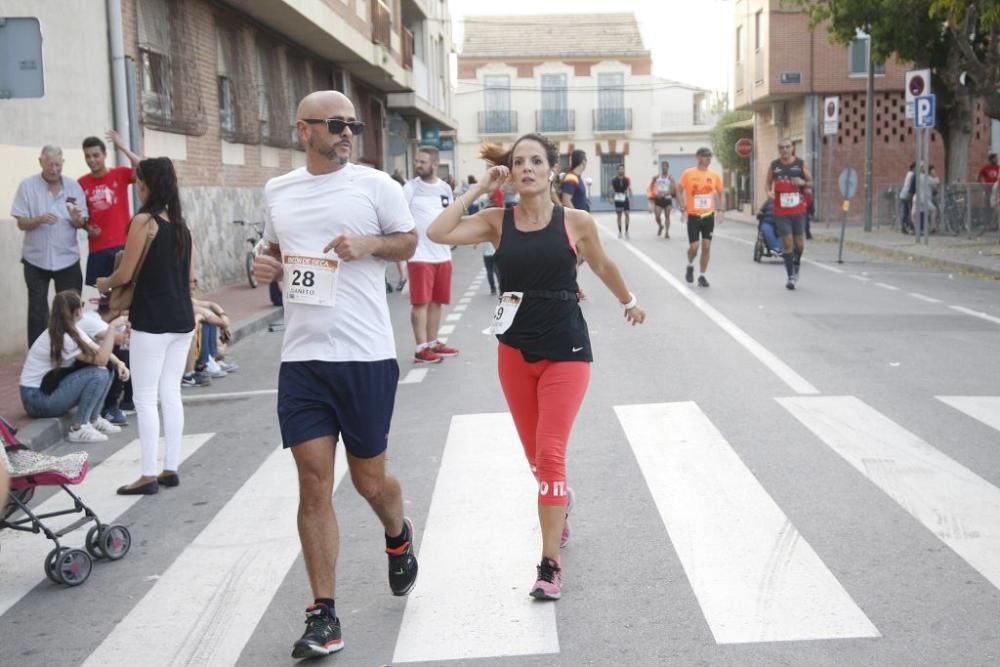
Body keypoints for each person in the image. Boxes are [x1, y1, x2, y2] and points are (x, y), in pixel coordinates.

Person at [426, 132, 646, 601]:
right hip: (515, 354)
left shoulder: (576, 221)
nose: (527, 168)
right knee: (535, 459)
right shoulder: (495, 220)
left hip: (567, 350)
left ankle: (549, 565)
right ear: (510, 171)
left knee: (550, 454)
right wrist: (480, 188)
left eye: (536, 161)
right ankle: (559, 504)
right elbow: (438, 233)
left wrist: (629, 300)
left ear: (551, 170)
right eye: (518, 162)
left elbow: (603, 265)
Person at [253, 90, 419, 660]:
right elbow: (273, 246)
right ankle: (323, 613)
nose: (347, 131)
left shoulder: (377, 186)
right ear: (304, 131)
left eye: (352, 124)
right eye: (335, 123)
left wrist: (371, 243)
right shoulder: (279, 190)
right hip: (302, 360)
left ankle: (398, 537)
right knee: (313, 479)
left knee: (370, 481)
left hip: (366, 355)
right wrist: (263, 261)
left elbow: (409, 241)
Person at [97, 157, 196, 496]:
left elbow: (125, 273)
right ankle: (171, 468)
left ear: (146, 184)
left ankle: (148, 474)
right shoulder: (182, 226)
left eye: (139, 182)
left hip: (153, 321)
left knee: (144, 398)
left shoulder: (143, 220)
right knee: (171, 393)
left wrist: (103, 283)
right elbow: (191, 278)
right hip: (183, 321)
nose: (137, 187)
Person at [19, 290, 127, 443]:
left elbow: (98, 350)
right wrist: (112, 328)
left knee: (106, 369)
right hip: (37, 400)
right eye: (82, 305)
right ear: (77, 311)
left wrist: (119, 363)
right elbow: (101, 359)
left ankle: (94, 419)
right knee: (98, 373)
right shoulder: (63, 336)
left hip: (43, 392)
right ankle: (79, 427)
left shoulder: (71, 329)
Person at [11, 145, 89, 346]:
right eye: (49, 165)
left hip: (67, 258)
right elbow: (21, 223)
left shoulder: (73, 187)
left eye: (57, 165)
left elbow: (82, 222)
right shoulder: (27, 186)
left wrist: (77, 219)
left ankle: (72, 350)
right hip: (35, 259)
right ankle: (39, 355)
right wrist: (39, 219)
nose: (54, 169)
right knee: (38, 311)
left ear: (62, 163)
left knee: (71, 307)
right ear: (40, 163)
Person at [403, 146, 460, 364]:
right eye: (417, 161)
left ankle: (433, 342)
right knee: (420, 303)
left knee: (437, 301)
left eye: (422, 162)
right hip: (420, 256)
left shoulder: (445, 188)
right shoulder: (410, 189)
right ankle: (421, 349)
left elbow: (452, 215)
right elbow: (398, 216)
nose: (418, 165)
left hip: (442, 254)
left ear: (435, 164)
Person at [79, 131, 143, 287]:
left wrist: (122, 147)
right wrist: (87, 227)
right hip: (98, 248)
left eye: (96, 155)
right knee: (103, 299)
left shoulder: (120, 173)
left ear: (105, 155)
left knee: (126, 294)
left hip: (122, 245)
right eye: (87, 156)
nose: (92, 160)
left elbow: (144, 167)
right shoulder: (81, 183)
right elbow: (82, 216)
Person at [78, 293, 132, 426]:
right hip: (74, 367)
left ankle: (129, 400)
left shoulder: (108, 320)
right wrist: (129, 324)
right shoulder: (93, 320)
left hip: (85, 361)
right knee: (118, 354)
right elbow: (121, 340)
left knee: (122, 355)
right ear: (114, 309)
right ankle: (108, 407)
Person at [766, 139, 813, 290]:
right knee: (787, 242)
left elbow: (811, 182)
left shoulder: (800, 164)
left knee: (799, 243)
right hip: (781, 210)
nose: (785, 150)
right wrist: (769, 193)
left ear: (792, 148)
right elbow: (767, 184)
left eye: (787, 147)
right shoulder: (774, 165)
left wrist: (802, 182)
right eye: (781, 147)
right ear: (778, 149)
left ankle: (797, 262)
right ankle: (790, 276)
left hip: (798, 210)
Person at [677, 148, 724, 287]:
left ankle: (702, 275)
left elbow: (721, 193)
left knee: (706, 246)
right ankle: (690, 265)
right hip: (693, 215)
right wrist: (683, 208)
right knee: (694, 247)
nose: (708, 159)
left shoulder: (714, 175)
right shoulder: (688, 173)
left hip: (708, 215)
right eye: (705, 156)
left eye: (710, 156)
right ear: (698, 157)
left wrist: (721, 210)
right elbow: (678, 191)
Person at [649, 162, 676, 238]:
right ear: (661, 167)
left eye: (665, 166)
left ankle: (667, 233)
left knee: (667, 216)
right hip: (658, 199)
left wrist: (666, 193)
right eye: (663, 166)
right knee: (657, 216)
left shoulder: (670, 178)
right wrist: (655, 193)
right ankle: (660, 226)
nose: (664, 168)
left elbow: (673, 189)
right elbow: (650, 187)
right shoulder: (657, 177)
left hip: (667, 199)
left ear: (668, 167)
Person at [610, 163, 632, 238]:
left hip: (625, 198)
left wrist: (631, 198)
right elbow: (611, 189)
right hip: (617, 198)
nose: (621, 170)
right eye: (620, 169)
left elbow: (629, 188)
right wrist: (611, 198)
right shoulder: (614, 180)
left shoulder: (627, 179)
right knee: (619, 215)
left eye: (622, 169)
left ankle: (626, 231)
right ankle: (620, 232)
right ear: (617, 170)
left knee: (627, 213)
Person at [899, 163, 916, 235]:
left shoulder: (908, 173)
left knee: (905, 212)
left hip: (903, 194)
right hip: (908, 195)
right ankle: (910, 227)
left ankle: (903, 227)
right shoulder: (913, 174)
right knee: (910, 212)